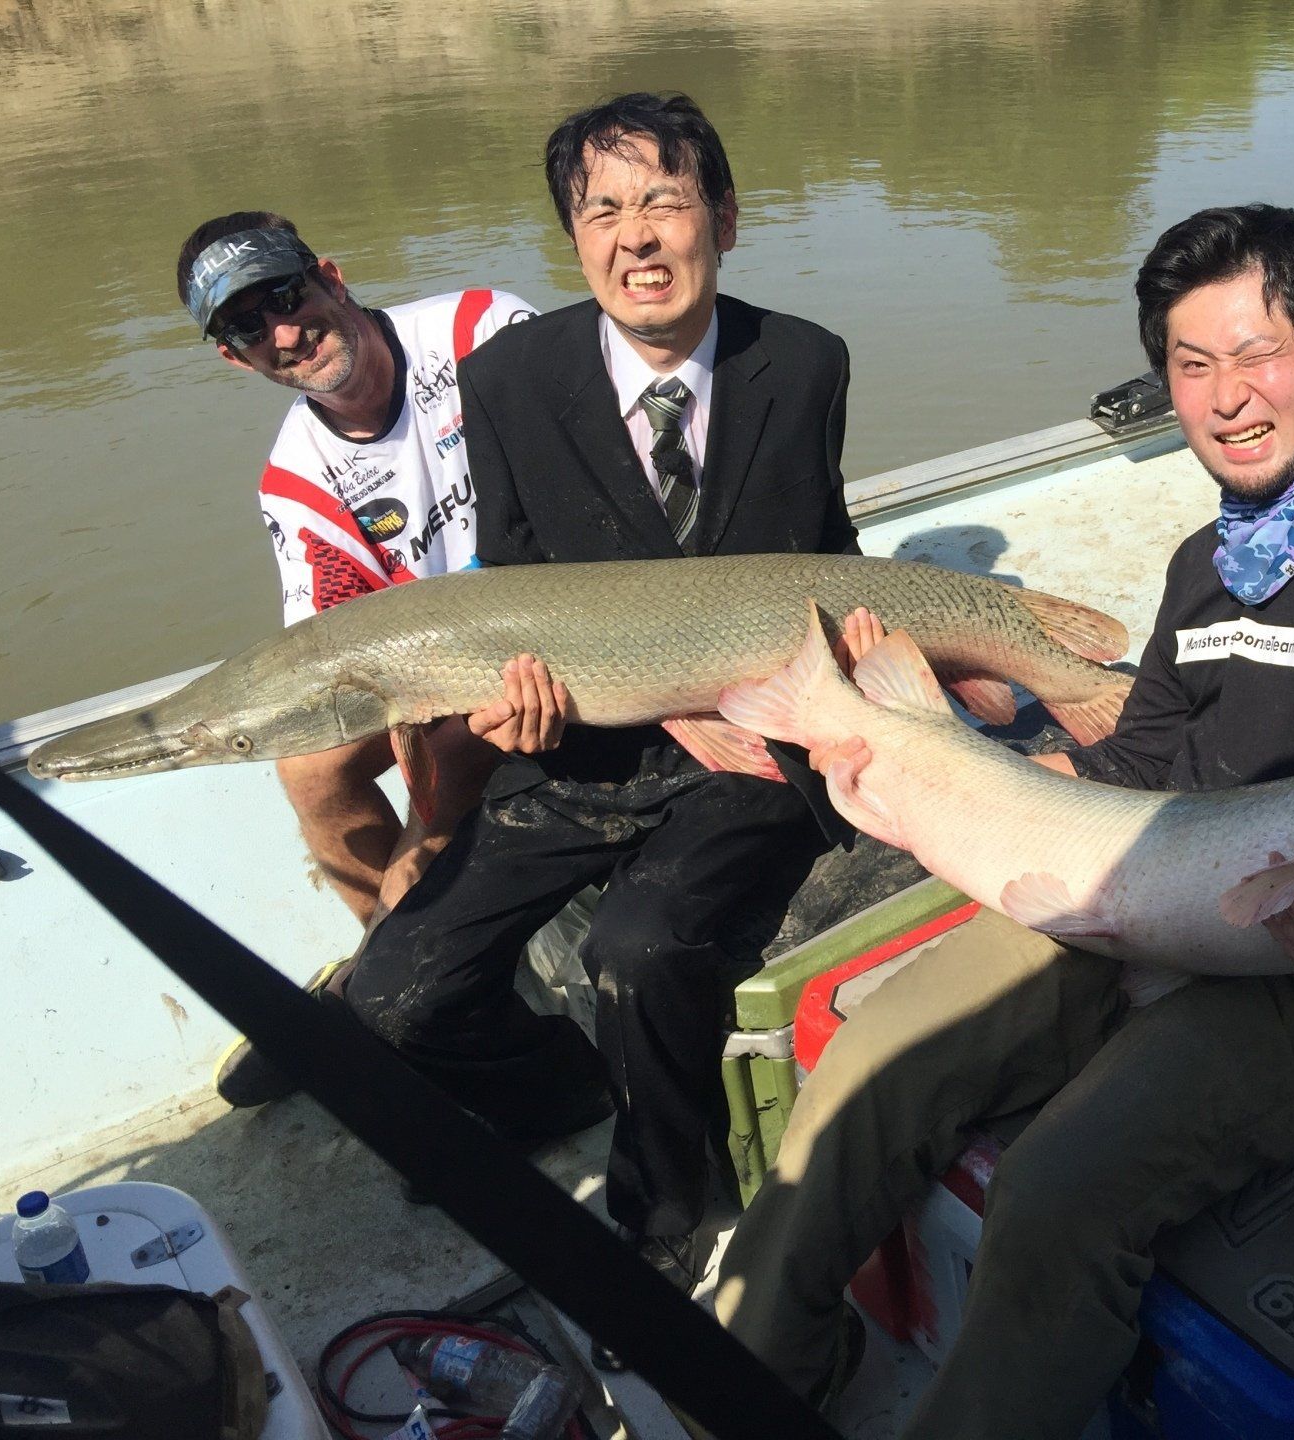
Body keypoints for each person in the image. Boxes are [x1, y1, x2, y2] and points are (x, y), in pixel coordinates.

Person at [711, 203, 1294, 1437]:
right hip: (1125, 883)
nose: (1227, 398)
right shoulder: (1209, 559)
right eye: (1192, 367)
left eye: (1257, 356)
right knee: (865, 1069)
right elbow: (1144, 754)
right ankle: (756, 1383)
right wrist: (951, 761)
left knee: (1059, 1187)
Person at [338, 93, 859, 1288]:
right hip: (577, 749)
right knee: (391, 999)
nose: (638, 238)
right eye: (604, 211)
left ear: (723, 217)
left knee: (638, 949)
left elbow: (824, 550)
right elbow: (513, 575)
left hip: (748, 741)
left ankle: (670, 1207)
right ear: (573, 239)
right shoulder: (510, 377)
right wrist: (505, 712)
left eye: (665, 203)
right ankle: (566, 1085)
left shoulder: (808, 360)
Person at [175, 214, 536, 933]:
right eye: (250, 327)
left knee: (427, 842)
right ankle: (389, 936)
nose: (284, 334)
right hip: (440, 684)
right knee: (307, 767)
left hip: (556, 627)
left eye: (284, 296)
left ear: (331, 278)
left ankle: (398, 949)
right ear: (234, 357)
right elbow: (333, 662)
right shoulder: (295, 483)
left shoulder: (481, 328)